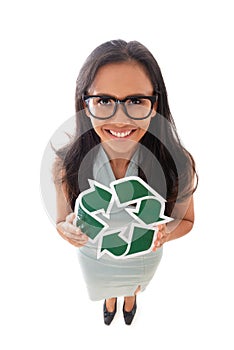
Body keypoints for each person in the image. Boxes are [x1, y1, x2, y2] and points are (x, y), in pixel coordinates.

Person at [53, 39, 198, 326]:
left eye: (135, 100)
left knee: (133, 285)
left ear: (155, 105)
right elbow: (61, 222)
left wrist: (165, 232)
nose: (120, 119)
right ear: (85, 103)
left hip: (142, 254)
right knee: (106, 287)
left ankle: (130, 298)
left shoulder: (176, 162)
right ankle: (109, 299)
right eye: (105, 100)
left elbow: (188, 221)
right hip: (96, 255)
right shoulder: (67, 163)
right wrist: (67, 229)